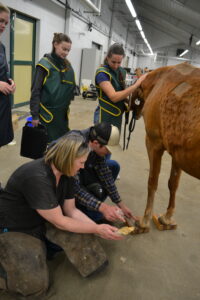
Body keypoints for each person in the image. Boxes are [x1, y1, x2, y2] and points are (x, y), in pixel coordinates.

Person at [0, 133, 123, 297]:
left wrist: (97, 228)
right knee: (35, 286)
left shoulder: (69, 174)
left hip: (44, 217)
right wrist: (96, 228)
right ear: (67, 158)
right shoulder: (37, 177)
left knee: (84, 233)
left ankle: (87, 264)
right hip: (17, 226)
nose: (83, 167)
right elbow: (60, 222)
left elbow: (71, 211)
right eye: (81, 162)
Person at [71, 122, 136, 223]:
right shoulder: (74, 147)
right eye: (108, 149)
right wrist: (103, 208)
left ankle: (93, 204)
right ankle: (88, 212)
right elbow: (74, 188)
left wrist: (121, 205)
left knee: (113, 166)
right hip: (65, 182)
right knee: (80, 187)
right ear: (96, 143)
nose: (109, 153)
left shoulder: (94, 141)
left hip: (83, 170)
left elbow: (105, 174)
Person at [30, 32, 76, 143]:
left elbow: (68, 84)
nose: (66, 53)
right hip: (47, 114)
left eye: (68, 50)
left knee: (60, 144)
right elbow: (35, 91)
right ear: (55, 44)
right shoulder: (44, 65)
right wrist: (35, 115)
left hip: (62, 115)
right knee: (46, 145)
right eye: (64, 49)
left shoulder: (67, 65)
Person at [94, 43, 147, 131]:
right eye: (113, 62)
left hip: (117, 114)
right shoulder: (102, 73)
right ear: (107, 58)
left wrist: (131, 103)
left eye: (119, 62)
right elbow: (114, 97)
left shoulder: (121, 72)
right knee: (102, 142)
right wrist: (137, 84)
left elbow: (122, 91)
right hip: (104, 115)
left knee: (114, 141)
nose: (116, 65)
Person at [0, 3, 16, 147]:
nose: (3, 25)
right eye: (0, 21)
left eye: (5, 22)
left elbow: (3, 71)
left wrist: (9, 81)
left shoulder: (2, 47)